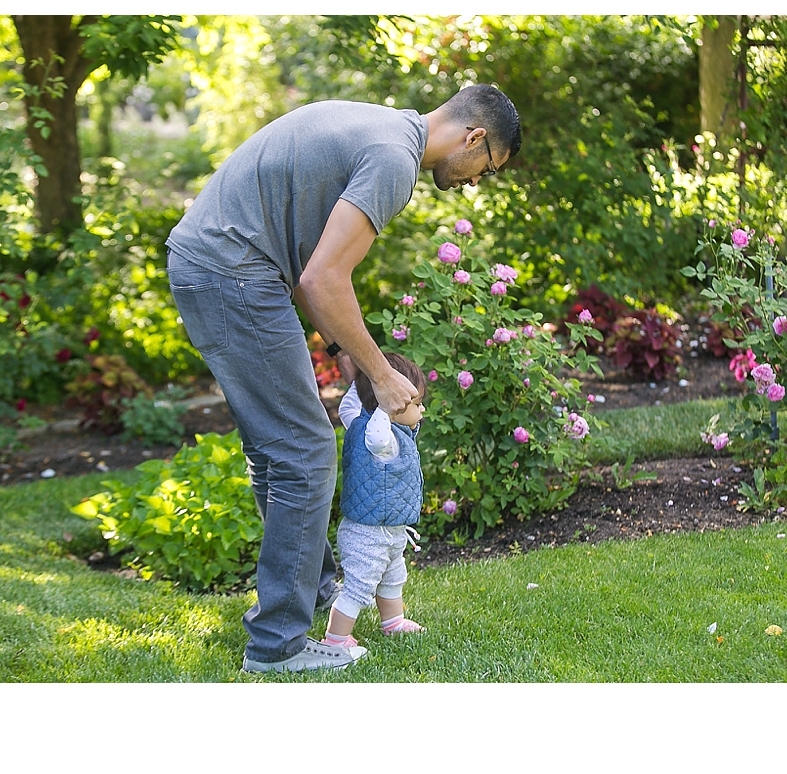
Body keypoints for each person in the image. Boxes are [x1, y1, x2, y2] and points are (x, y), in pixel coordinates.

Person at [165, 85, 521, 673]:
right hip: (235, 273)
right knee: (304, 453)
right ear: (475, 137)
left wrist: (344, 351)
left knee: (278, 453)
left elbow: (308, 269)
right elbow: (324, 279)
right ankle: (277, 646)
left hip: (216, 264)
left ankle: (323, 593)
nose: (478, 179)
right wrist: (382, 375)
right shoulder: (393, 160)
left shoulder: (381, 128)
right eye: (489, 166)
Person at [323, 352, 431, 648]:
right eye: (417, 404)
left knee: (393, 577)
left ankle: (393, 621)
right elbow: (379, 436)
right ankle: (336, 638)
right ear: (393, 405)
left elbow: (348, 404)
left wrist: (365, 380)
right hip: (369, 535)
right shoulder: (382, 439)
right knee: (359, 588)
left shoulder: (358, 421)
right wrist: (384, 399)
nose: (422, 411)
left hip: (389, 530)